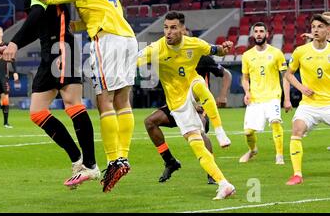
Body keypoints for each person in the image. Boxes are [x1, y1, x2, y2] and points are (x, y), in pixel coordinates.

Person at [33, 0, 138, 193]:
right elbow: (105, 6)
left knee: (105, 101)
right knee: (123, 101)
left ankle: (113, 160)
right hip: (127, 36)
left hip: (107, 40)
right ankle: (122, 157)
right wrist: (78, 24)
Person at [0, 0, 100, 188]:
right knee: (37, 112)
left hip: (62, 46)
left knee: (73, 103)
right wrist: (15, 44)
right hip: (49, 49)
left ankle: (91, 166)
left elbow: (34, 17)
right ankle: (78, 159)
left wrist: (13, 42)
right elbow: (36, 25)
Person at [137, 12, 236, 200]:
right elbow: (133, 60)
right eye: (166, 27)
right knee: (196, 145)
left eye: (173, 27)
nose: (168, 32)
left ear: (182, 29)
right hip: (177, 104)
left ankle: (220, 131)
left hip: (193, 88)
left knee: (199, 85)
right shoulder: (156, 48)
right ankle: (223, 184)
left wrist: (225, 48)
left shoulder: (195, 44)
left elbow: (217, 50)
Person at [285, 14, 330, 185]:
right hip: (309, 105)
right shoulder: (301, 51)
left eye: (320, 26)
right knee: (296, 130)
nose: (316, 30)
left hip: (328, 104)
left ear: (327, 30)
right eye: (313, 27)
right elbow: (288, 74)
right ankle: (297, 175)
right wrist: (302, 88)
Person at [239, 22, 291, 164]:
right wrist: (247, 92)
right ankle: (253, 150)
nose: (259, 34)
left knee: (275, 122)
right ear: (252, 34)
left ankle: (279, 156)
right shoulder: (247, 55)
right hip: (255, 99)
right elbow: (244, 78)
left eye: (261, 31)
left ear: (267, 34)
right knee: (248, 132)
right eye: (256, 31)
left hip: (273, 96)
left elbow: (285, 77)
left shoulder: (276, 53)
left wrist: (287, 99)